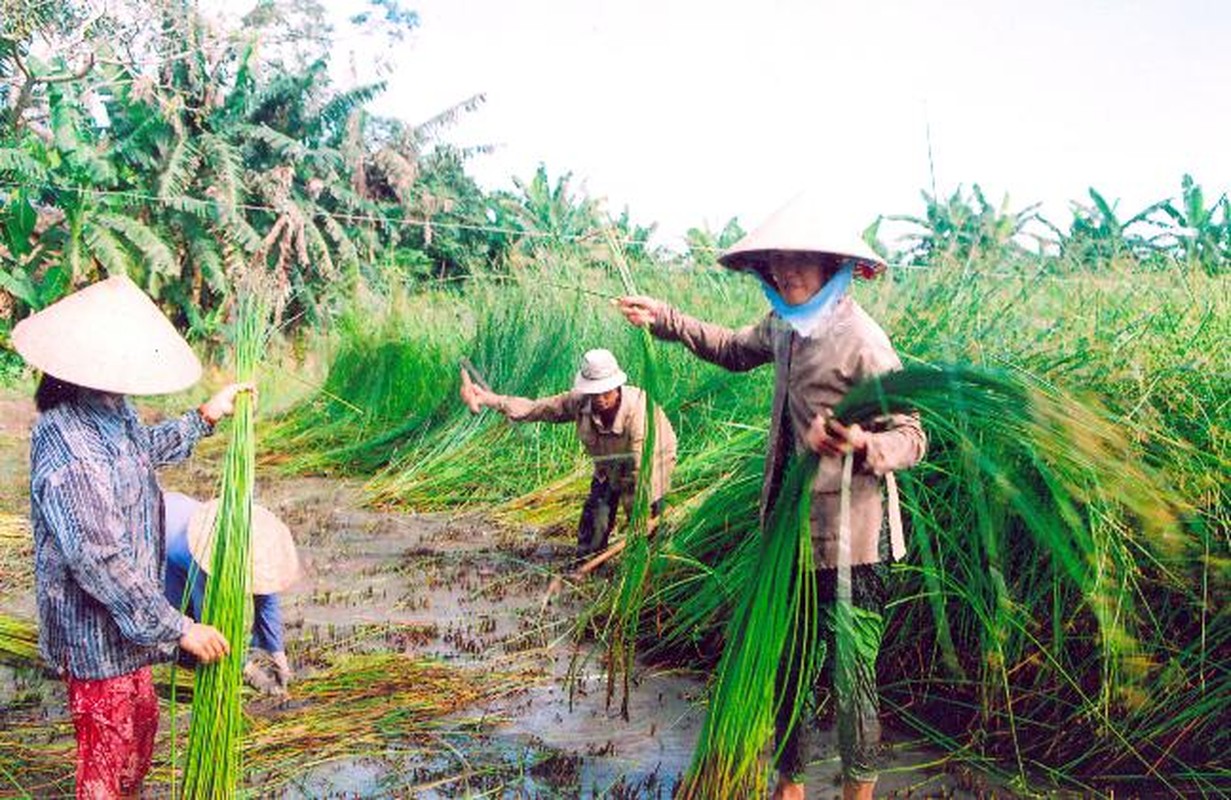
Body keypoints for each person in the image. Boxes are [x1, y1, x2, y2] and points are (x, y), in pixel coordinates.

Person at [616, 195, 926, 800]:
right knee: (786, 668)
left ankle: (858, 792)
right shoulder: (785, 326)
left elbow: (913, 435)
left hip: (855, 539)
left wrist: (862, 442)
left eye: (797, 264)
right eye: (776, 265)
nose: (784, 275)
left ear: (832, 265)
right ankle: (790, 786)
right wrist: (665, 318)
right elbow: (731, 349)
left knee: (852, 674)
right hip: (789, 533)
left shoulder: (863, 341)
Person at [16, 274, 252, 800]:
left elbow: (140, 450)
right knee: (106, 761)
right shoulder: (68, 447)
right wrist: (177, 627)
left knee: (140, 734)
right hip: (92, 640)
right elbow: (97, 559)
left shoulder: (109, 408)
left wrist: (204, 418)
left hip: (127, 635)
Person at [459, 348, 678, 559]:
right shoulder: (580, 401)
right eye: (594, 392)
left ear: (617, 386)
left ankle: (649, 561)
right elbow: (537, 408)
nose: (600, 398)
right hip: (608, 462)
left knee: (645, 521)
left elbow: (641, 473)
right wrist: (489, 399)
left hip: (652, 457)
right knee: (596, 515)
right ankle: (588, 560)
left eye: (605, 391)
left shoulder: (639, 412)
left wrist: (638, 519)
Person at [162, 491, 300, 695]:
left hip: (175, 509)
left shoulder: (252, 542)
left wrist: (278, 655)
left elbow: (266, 600)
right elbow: (210, 629)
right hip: (159, 540)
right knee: (181, 632)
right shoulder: (204, 561)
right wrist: (247, 670)